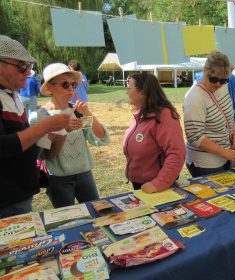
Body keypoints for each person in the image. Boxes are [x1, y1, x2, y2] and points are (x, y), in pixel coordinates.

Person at [0, 36, 71, 218]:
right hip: (7, 199)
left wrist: (47, 136)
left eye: (29, 68)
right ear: (1, 66)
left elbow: (21, 143)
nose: (28, 73)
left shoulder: (12, 96)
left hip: (19, 192)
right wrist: (45, 126)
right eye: (22, 67)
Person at [30, 63, 110, 208]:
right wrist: (63, 131)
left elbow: (101, 138)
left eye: (73, 85)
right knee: (67, 221)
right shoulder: (40, 116)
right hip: (58, 179)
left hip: (85, 174)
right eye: (65, 84)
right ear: (50, 87)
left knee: (96, 213)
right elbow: (46, 155)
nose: (71, 89)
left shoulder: (77, 112)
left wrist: (87, 113)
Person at [123, 72, 185, 193]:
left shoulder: (164, 115)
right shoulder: (140, 113)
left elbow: (177, 153)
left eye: (129, 88)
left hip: (157, 187)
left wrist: (158, 184)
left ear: (142, 92)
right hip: (142, 184)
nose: (127, 92)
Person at [184, 50, 235, 177]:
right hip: (205, 163)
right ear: (205, 71)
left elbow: (228, 116)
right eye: (214, 79)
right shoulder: (194, 97)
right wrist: (226, 153)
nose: (218, 84)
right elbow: (195, 137)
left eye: (223, 80)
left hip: (224, 157)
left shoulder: (224, 87)